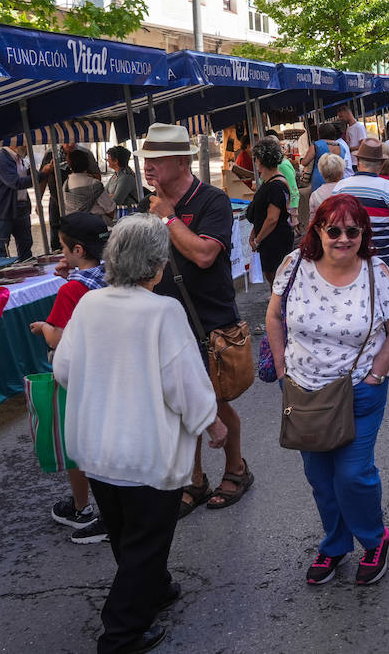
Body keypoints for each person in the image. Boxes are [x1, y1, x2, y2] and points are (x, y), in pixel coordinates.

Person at [54, 214, 228, 654]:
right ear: (158, 264)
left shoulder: (90, 304)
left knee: (124, 532)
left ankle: (156, 586)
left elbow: (64, 370)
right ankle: (122, 631)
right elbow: (186, 384)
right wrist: (214, 423)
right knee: (147, 539)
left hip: (96, 446)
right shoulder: (163, 312)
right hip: (145, 451)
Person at [267, 195, 389, 588]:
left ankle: (374, 539)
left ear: (364, 234)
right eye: (333, 230)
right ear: (318, 231)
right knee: (320, 477)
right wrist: (281, 368)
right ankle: (334, 543)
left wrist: (377, 374)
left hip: (359, 391)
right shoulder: (295, 265)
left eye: (352, 230)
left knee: (353, 475)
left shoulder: (377, 272)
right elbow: (274, 316)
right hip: (305, 392)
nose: (343, 238)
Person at [139, 123, 250, 518]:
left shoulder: (211, 201)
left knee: (214, 404)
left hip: (208, 320)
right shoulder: (150, 205)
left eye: (158, 160)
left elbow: (204, 255)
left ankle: (237, 469)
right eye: (146, 160)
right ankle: (195, 479)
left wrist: (169, 219)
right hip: (166, 321)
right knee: (179, 405)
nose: (149, 167)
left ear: (182, 161)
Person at [29, 213, 110, 545]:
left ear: (77, 249)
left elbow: (58, 338)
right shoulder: (113, 273)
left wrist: (43, 328)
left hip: (84, 376)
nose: (61, 253)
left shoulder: (73, 290)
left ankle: (100, 514)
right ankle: (100, 510)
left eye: (63, 247)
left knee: (85, 445)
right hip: (113, 370)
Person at [332, 138, 389, 277]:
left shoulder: (340, 187)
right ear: (381, 164)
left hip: (349, 258)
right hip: (382, 261)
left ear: (359, 162)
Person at [247, 139, 296, 283]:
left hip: (275, 240)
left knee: (277, 278)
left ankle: (279, 305)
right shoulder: (270, 181)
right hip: (271, 238)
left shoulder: (275, 185)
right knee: (274, 277)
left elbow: (272, 219)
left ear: (260, 160)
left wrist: (257, 240)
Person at [0, 142, 34, 259]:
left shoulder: (20, 159)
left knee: (26, 244)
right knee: (1, 247)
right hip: (3, 210)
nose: (28, 147)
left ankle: (26, 271)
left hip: (21, 208)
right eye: (26, 144)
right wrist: (40, 175)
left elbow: (25, 177)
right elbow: (15, 182)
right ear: (15, 143)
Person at [308, 153, 347, 218]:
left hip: (324, 227)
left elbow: (312, 219)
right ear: (341, 173)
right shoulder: (348, 191)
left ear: (322, 173)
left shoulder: (315, 195)